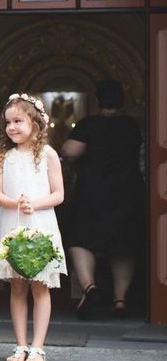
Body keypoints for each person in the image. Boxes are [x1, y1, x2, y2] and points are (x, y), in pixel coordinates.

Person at [0, 93, 66, 361]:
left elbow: (58, 194)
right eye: (8, 122)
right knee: (18, 286)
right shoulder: (3, 156)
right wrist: (16, 204)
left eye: (18, 121)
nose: (12, 127)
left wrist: (34, 204)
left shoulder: (48, 155)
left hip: (40, 224)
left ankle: (38, 347)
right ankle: (20, 343)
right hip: (12, 223)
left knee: (40, 286)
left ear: (35, 123)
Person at [60, 80, 143, 319]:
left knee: (80, 239)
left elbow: (69, 151)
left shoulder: (90, 124)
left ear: (98, 101)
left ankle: (90, 287)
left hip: (94, 191)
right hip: (128, 192)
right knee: (123, 245)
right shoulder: (130, 125)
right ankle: (120, 300)